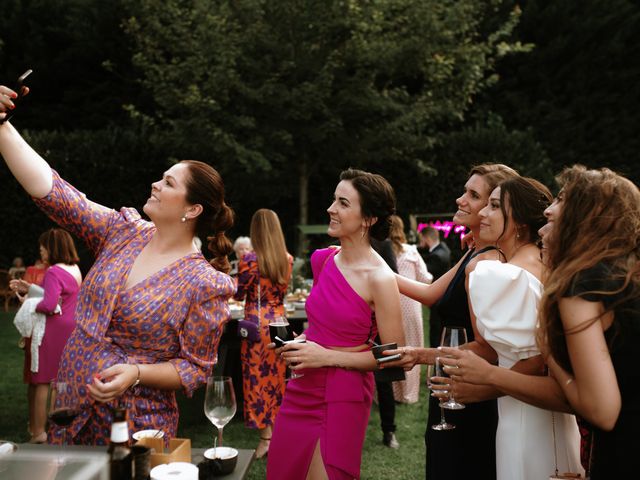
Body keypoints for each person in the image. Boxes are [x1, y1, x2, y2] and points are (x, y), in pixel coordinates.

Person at [0, 84, 236, 445]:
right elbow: (56, 193)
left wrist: (136, 373)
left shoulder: (204, 283)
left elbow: (195, 368)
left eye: (168, 182)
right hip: (70, 409)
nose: (155, 184)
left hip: (135, 423)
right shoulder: (121, 231)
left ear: (192, 209)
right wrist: (2, 124)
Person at [381, 163, 519, 480]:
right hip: (452, 377)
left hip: (472, 387)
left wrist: (424, 355)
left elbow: (489, 346)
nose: (460, 199)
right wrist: (368, 267)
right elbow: (430, 293)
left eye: (473, 195)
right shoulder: (475, 252)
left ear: (495, 208)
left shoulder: (490, 261)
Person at [267, 168, 405, 480]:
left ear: (368, 219)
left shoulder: (380, 278)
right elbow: (323, 325)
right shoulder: (323, 260)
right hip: (301, 387)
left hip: (343, 393)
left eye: (343, 203)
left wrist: (327, 356)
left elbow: (394, 357)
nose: (331, 209)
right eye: (334, 200)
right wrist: (301, 342)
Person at [440, 177, 582, 479]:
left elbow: (530, 359)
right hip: (556, 422)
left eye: (493, 206)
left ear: (517, 221)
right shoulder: (547, 265)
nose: (481, 215)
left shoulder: (496, 276)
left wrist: (483, 388)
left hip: (522, 418)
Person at [536, 166, 639, 478]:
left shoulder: (584, 285)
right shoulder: (626, 279)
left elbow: (602, 411)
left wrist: (548, 352)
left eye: (562, 199)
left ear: (584, 216)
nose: (548, 209)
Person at [10, 228, 82, 444]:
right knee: (59, 379)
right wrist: (30, 287)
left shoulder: (52, 271)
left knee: (41, 380)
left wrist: (28, 303)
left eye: (43, 249)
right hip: (70, 328)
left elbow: (49, 303)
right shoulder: (74, 268)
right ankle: (57, 428)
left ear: (52, 249)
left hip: (52, 329)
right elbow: (57, 295)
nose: (41, 253)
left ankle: (39, 433)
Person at [233, 209, 293, 459]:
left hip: (257, 328)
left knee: (257, 383)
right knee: (278, 382)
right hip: (280, 324)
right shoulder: (287, 259)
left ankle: (266, 438)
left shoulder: (249, 259)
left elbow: (238, 293)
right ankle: (279, 435)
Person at [388, 215, 432, 404]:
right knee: (413, 345)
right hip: (411, 305)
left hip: (389, 305)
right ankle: (408, 394)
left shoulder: (379, 252)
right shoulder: (411, 252)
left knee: (392, 346)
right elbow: (425, 279)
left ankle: (392, 392)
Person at [370, 237, 401, 448]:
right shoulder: (340, 246)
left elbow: (393, 279)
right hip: (351, 323)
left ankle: (389, 430)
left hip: (378, 321)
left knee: (383, 379)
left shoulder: (384, 244)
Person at [418, 226, 451, 348]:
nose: (419, 243)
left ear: (426, 238)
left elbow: (424, 275)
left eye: (421, 239)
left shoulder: (436, 256)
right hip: (443, 299)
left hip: (437, 300)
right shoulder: (444, 249)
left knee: (436, 334)